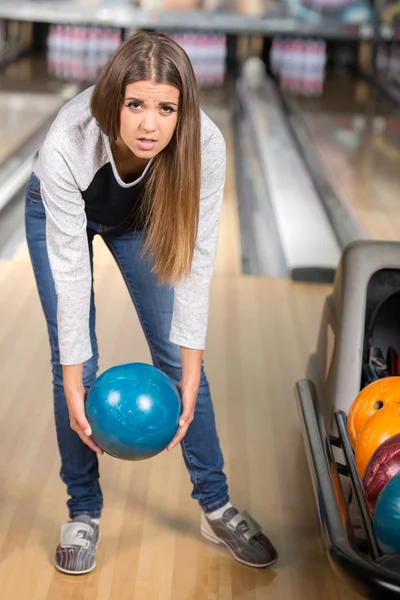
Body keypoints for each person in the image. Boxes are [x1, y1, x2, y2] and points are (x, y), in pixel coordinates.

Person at [25, 31, 277, 575]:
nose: (148, 124)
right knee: (74, 363)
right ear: (114, 96)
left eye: (166, 109)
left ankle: (216, 505)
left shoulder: (205, 146)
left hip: (139, 220)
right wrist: (73, 378)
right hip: (56, 211)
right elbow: (70, 276)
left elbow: (197, 262)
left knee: (181, 359)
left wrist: (188, 370)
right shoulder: (71, 138)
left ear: (182, 113)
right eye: (135, 104)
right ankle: (83, 512)